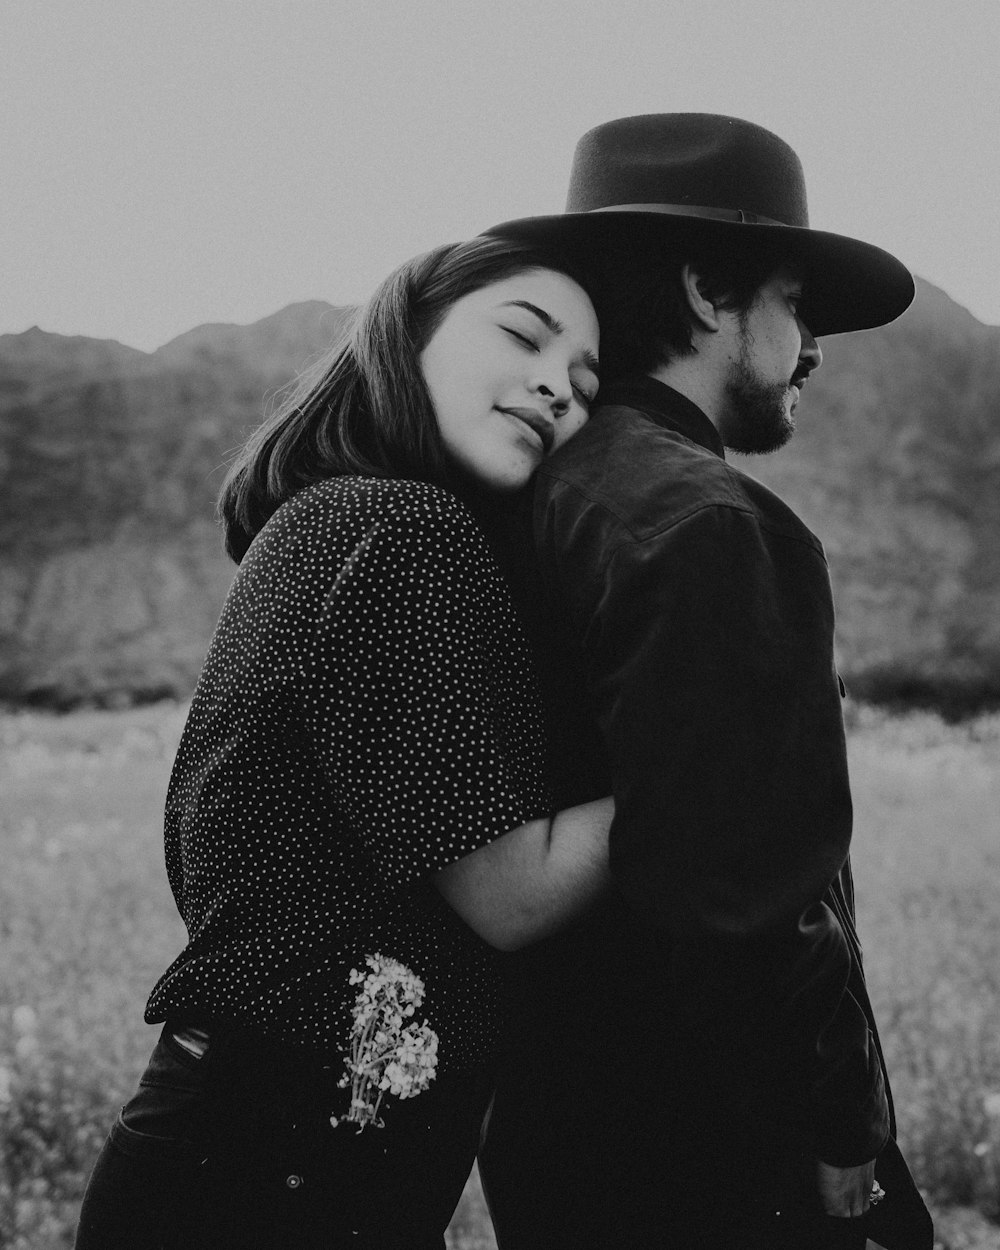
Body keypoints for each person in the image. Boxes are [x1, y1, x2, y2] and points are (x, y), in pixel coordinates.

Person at [74, 234, 614, 1250]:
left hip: (245, 1137)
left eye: (585, 382)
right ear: (404, 336)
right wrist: (704, 768)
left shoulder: (321, 518)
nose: (556, 388)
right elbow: (511, 893)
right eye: (524, 335)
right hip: (275, 1169)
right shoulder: (409, 533)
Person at [479, 114, 934, 1249]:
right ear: (702, 291)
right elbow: (754, 899)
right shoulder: (711, 524)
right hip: (720, 1155)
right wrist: (844, 1137)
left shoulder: (521, 500)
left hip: (553, 1131)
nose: (814, 347)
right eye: (795, 301)